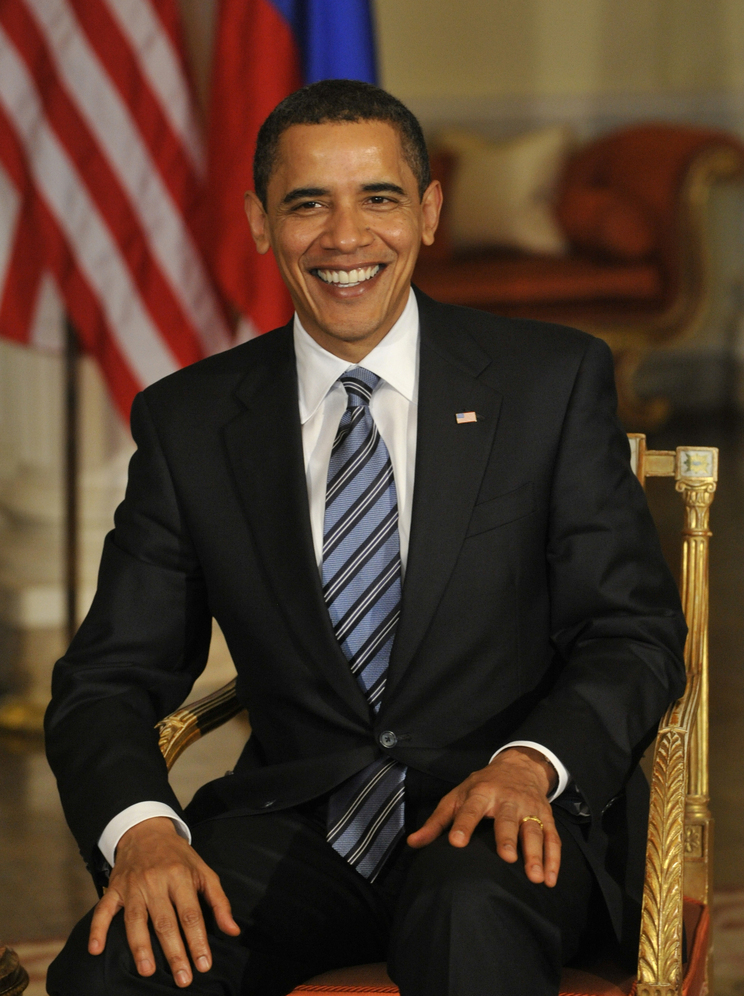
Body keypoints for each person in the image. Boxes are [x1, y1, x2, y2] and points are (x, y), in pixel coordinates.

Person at [45, 79, 686, 996]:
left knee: (465, 918)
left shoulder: (547, 383)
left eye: (378, 198)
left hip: (504, 817)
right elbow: (108, 680)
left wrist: (529, 767)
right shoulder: (191, 423)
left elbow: (631, 632)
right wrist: (143, 831)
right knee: (115, 966)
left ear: (428, 212)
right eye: (308, 204)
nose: (345, 238)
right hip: (297, 825)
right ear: (261, 223)